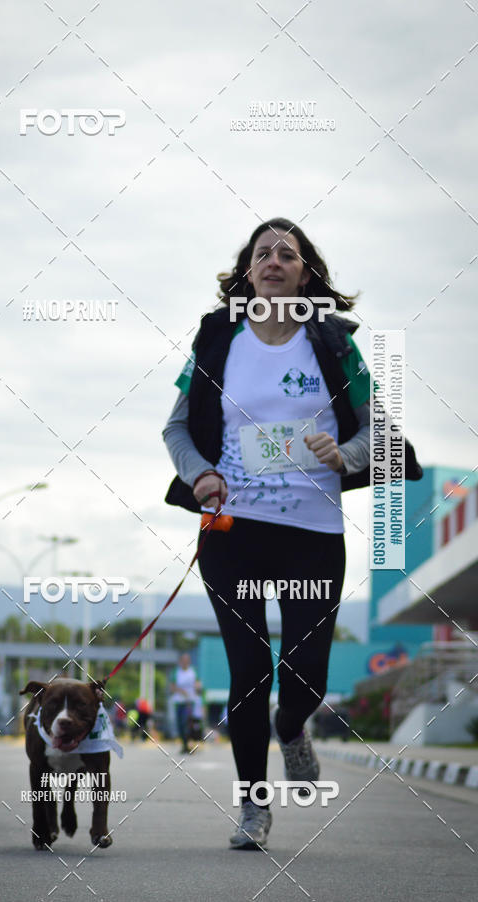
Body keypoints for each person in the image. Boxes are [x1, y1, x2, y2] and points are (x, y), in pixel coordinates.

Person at [163, 217, 422, 850]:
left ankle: (292, 726)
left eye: (287, 253)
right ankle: (254, 809)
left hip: (311, 533)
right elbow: (175, 430)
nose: (274, 261)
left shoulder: (334, 346)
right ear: (247, 271)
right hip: (233, 533)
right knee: (248, 669)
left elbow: (377, 433)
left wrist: (346, 456)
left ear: (305, 273)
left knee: (305, 673)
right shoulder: (216, 339)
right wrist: (200, 477)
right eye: (262, 254)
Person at [169, 653, 199, 753]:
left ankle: (189, 744)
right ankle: (185, 744)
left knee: (187, 723)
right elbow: (172, 687)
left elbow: (198, 684)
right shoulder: (176, 672)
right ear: (181, 662)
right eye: (183, 660)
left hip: (190, 703)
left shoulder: (193, 672)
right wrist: (181, 691)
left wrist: (197, 687)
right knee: (180, 725)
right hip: (179, 702)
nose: (185, 662)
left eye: (187, 660)